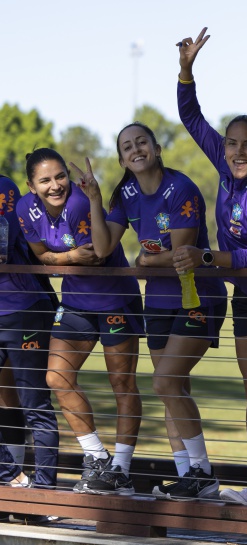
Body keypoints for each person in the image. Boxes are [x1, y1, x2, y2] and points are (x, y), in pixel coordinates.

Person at [174, 28, 247, 504]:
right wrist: (186, 69)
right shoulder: (224, 171)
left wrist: (206, 258)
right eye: (232, 144)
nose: (238, 152)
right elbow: (190, 117)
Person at [85, 122, 228, 498]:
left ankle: (203, 472)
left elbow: (179, 256)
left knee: (164, 382)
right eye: (127, 146)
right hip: (159, 302)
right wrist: (95, 201)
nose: (136, 149)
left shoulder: (180, 189)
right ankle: (188, 476)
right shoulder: (126, 193)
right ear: (121, 159)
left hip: (197, 297)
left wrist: (147, 263)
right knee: (173, 388)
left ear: (157, 148)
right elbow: (102, 248)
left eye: (141, 142)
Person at [17, 149, 143, 494]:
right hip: (75, 301)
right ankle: (97, 458)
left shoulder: (78, 204)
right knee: (56, 376)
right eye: (45, 180)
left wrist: (61, 258)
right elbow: (43, 256)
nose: (55, 185)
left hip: (116, 298)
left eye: (60, 176)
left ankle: (122, 469)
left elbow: (97, 258)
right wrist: (69, 256)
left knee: (122, 383)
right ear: (31, 186)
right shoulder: (23, 209)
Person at [0, 174, 59, 489]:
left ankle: (45, 492)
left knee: (35, 403)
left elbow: (2, 246)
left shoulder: (4, 187)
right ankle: (12, 478)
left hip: (23, 311)